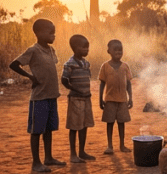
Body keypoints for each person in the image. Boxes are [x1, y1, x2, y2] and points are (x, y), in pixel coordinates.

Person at [9, 18, 65, 172]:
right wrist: (30, 76)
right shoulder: (33, 50)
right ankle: (36, 163)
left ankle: (48, 158)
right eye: (50, 32)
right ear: (39, 33)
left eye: (54, 32)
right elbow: (14, 64)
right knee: (36, 131)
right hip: (39, 98)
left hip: (52, 96)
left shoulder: (51, 50)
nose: (53, 35)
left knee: (49, 129)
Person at [61, 34, 95, 163]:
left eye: (87, 47)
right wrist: (75, 90)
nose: (87, 50)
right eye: (84, 47)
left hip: (86, 98)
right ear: (75, 48)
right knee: (74, 127)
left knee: (84, 125)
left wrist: (86, 92)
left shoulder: (86, 63)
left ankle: (82, 151)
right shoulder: (69, 64)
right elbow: (64, 80)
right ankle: (73, 154)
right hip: (75, 99)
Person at [98, 39, 132, 155]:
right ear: (109, 51)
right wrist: (100, 99)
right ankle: (110, 145)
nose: (118, 52)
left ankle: (122, 145)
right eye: (115, 50)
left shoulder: (125, 66)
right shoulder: (105, 66)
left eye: (120, 50)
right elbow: (102, 84)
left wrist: (130, 98)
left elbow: (129, 84)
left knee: (122, 123)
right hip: (110, 100)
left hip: (122, 100)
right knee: (110, 123)